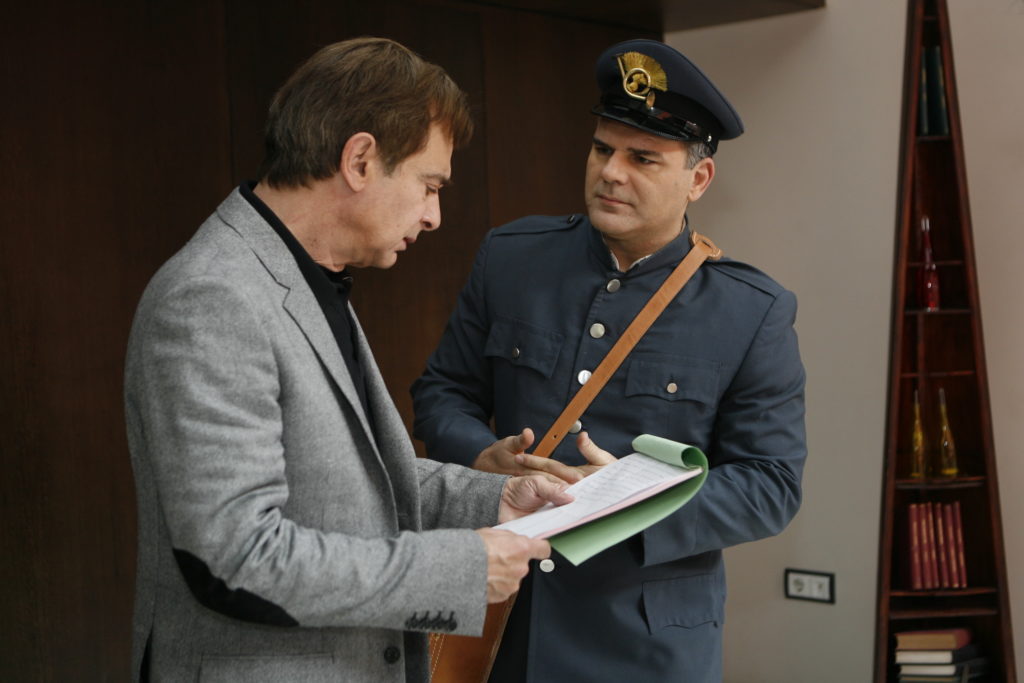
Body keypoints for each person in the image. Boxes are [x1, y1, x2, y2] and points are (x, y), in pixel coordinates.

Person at [123, 37, 573, 683]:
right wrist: (460, 569)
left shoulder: (303, 273)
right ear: (360, 160)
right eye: (428, 185)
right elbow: (238, 558)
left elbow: (350, 482)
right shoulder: (212, 296)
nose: (435, 215)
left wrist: (496, 498)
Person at [411, 39, 807, 682]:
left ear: (698, 179)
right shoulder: (512, 257)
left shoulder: (750, 310)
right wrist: (482, 459)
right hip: (502, 622)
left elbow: (771, 485)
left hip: (644, 647)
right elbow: (442, 392)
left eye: (643, 158)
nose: (611, 172)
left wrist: (637, 498)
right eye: (602, 149)